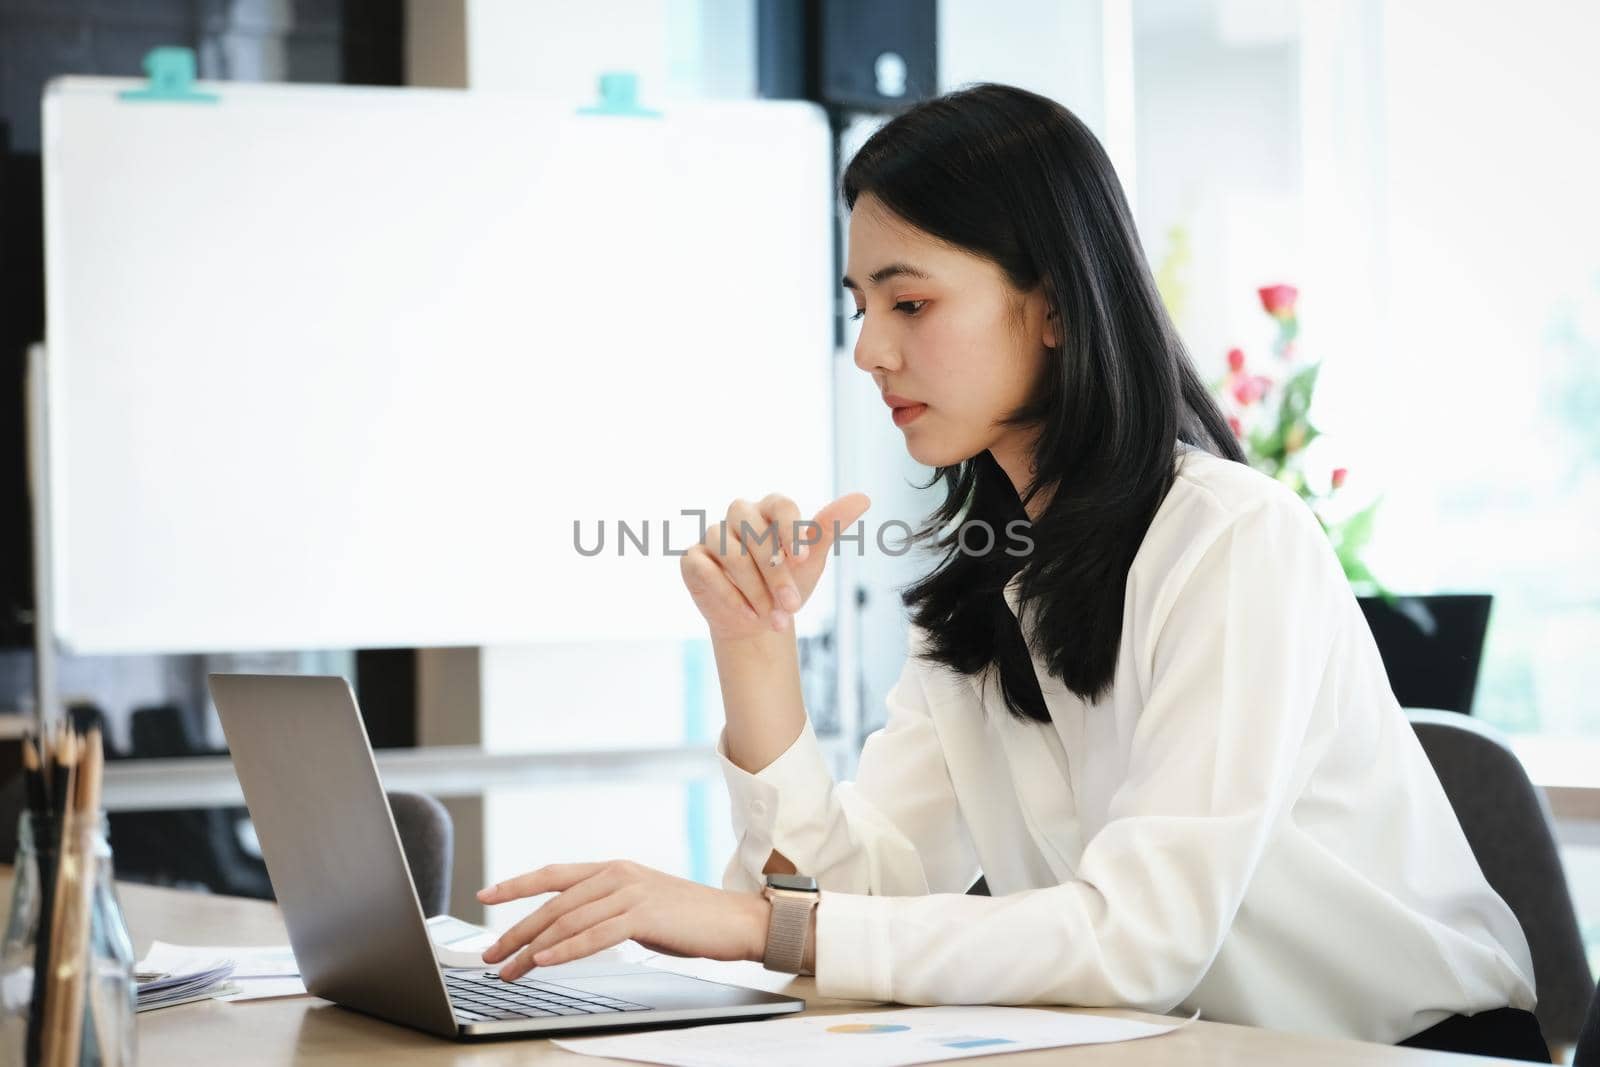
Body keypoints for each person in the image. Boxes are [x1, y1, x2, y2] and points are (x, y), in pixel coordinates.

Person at [474, 83, 1544, 1060]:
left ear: (1056, 306)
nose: (867, 351)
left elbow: (1139, 939)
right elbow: (858, 895)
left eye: (909, 302)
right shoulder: (995, 567)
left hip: (1402, 1052)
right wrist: (756, 652)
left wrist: (764, 925)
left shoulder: (1231, 536)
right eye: (860, 305)